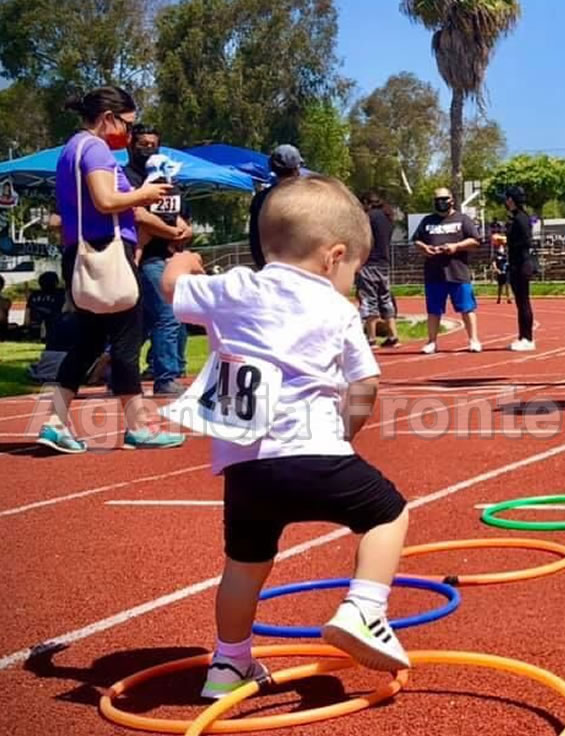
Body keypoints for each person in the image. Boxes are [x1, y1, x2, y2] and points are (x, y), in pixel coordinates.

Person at [160, 175, 411, 698]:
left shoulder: (233, 286)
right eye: (352, 270)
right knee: (388, 513)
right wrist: (346, 432)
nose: (350, 282)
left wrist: (184, 257)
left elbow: (171, 286)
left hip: (247, 468)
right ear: (332, 256)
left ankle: (228, 665)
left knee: (244, 566)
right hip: (316, 452)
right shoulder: (337, 309)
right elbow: (365, 381)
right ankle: (365, 607)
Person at [37, 86, 182, 454]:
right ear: (107, 119)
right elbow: (107, 201)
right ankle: (138, 427)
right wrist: (145, 194)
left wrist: (161, 224)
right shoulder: (97, 149)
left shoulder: (72, 149)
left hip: (82, 255)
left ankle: (54, 422)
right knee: (126, 339)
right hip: (109, 256)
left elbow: (110, 206)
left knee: (87, 342)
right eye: (127, 125)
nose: (130, 135)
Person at [123, 123, 192, 395]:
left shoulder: (168, 179)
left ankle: (114, 366)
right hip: (143, 257)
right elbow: (138, 216)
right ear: (131, 145)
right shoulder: (126, 177)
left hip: (169, 254)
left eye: (153, 144)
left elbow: (182, 216)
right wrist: (170, 229)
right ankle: (165, 377)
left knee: (153, 319)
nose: (148, 149)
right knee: (167, 314)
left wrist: (182, 229)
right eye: (143, 144)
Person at [413, 186, 482, 354]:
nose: (441, 203)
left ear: (451, 200)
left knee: (467, 308)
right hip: (434, 273)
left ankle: (474, 339)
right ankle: (432, 342)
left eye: (444, 199)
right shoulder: (427, 221)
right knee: (433, 310)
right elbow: (416, 240)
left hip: (457, 272)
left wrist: (455, 247)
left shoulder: (463, 219)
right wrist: (425, 248)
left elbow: (475, 241)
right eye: (438, 200)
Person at [248, 145, 304, 270]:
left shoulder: (260, 199)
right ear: (296, 169)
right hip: (302, 269)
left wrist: (263, 267)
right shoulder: (305, 197)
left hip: (270, 268)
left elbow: (254, 239)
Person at [356, 192, 399, 348]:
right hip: (383, 263)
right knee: (385, 298)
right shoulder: (388, 218)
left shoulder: (367, 218)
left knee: (368, 299)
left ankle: (371, 338)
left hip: (368, 262)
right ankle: (393, 335)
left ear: (367, 203)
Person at [505, 186, 536, 351]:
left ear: (511, 200)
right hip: (517, 263)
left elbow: (526, 241)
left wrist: (506, 241)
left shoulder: (521, 218)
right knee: (520, 302)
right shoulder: (517, 217)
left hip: (522, 264)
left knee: (523, 302)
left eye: (507, 198)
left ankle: (528, 338)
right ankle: (522, 336)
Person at [24, 271, 67, 342]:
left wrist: (26, 326)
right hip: (56, 328)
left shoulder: (34, 295)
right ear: (56, 283)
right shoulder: (61, 294)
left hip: (35, 327)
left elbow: (27, 316)